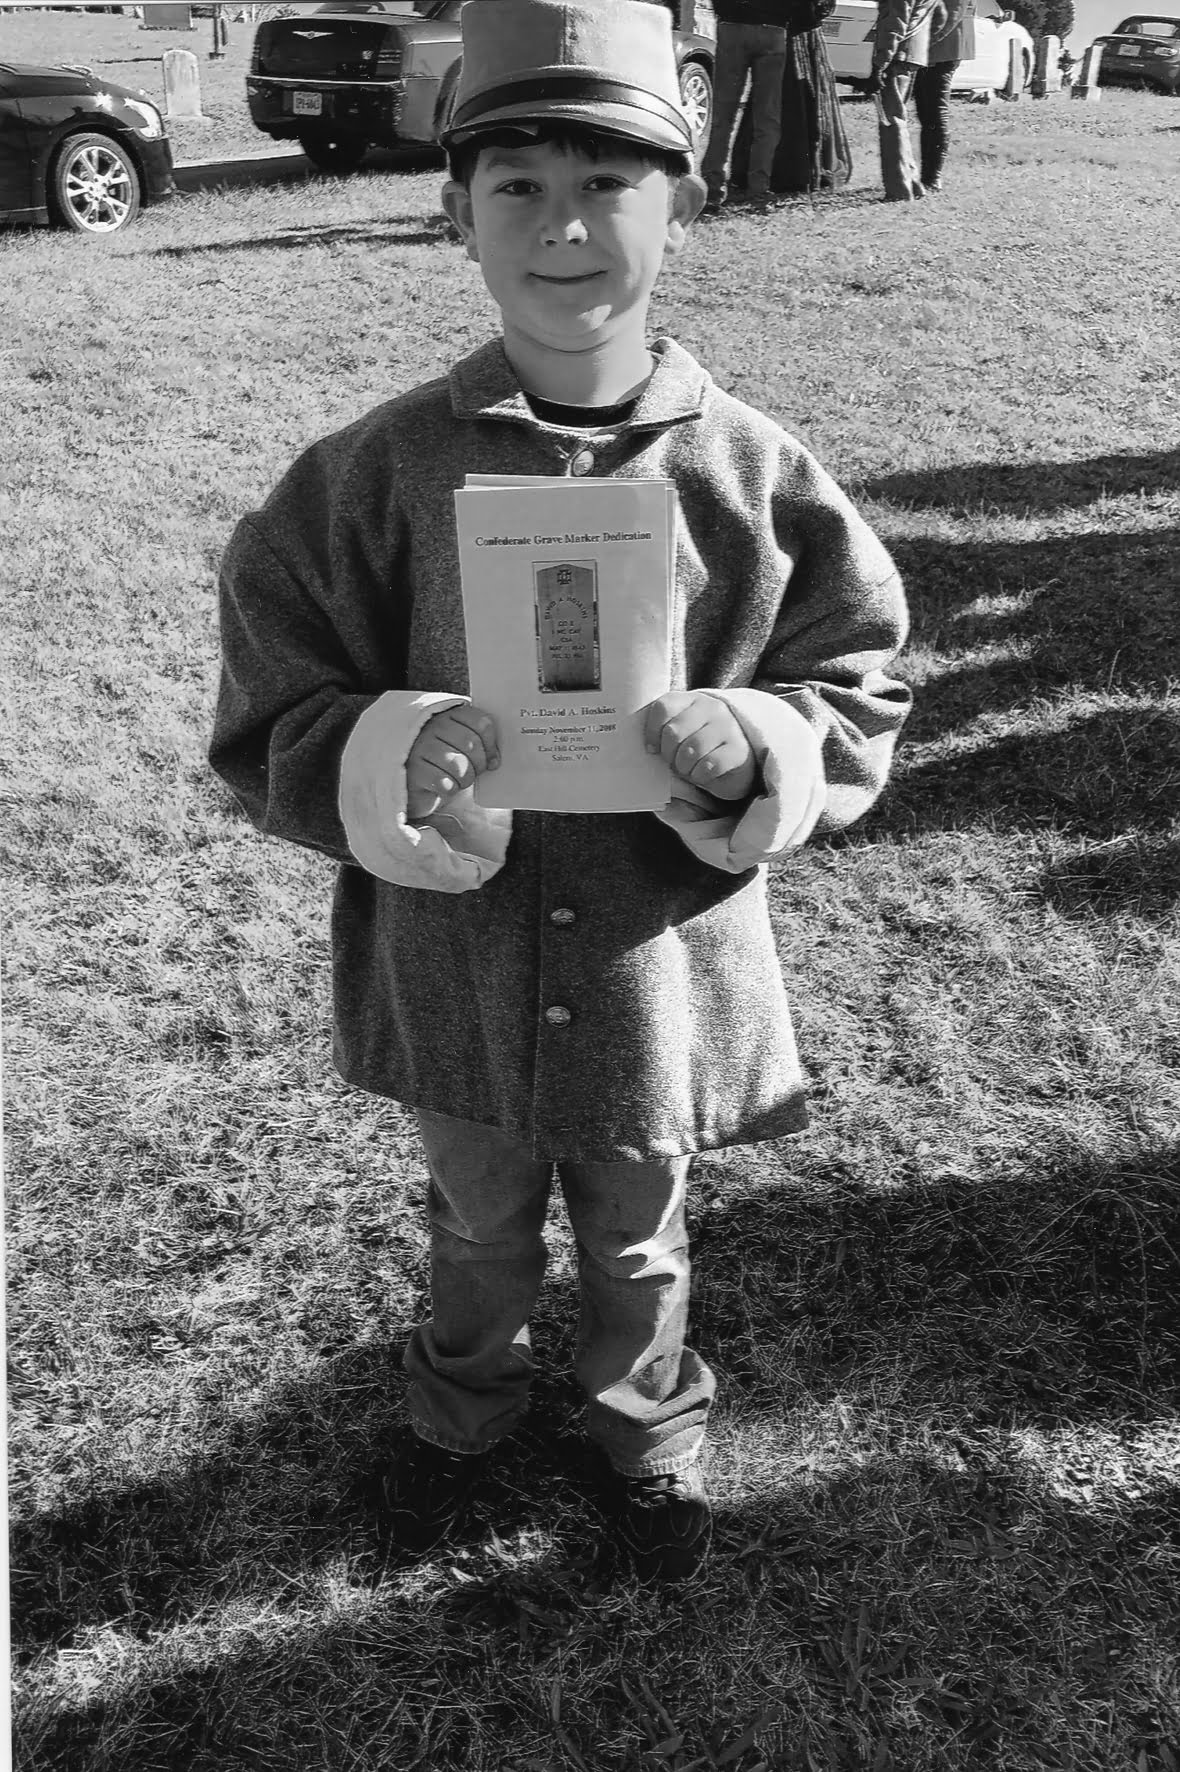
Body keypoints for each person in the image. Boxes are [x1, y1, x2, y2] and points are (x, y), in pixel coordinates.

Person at [209, 0, 911, 1587]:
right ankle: (457, 1421)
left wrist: (765, 740)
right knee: (472, 1223)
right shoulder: (370, 476)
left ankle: (644, 1434)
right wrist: (390, 747)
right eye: (517, 185)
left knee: (640, 1227)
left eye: (611, 181)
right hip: (457, 967)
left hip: (655, 965)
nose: (566, 225)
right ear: (456, 210)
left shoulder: (756, 474)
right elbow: (276, 700)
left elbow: (858, 675)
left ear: (686, 198)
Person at [730, 0, 853, 196]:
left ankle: (773, 171)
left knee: (777, 102)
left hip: (792, 35)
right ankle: (789, 171)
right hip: (792, 37)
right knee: (783, 101)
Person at [700, 0, 791, 211]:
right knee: (767, 117)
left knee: (723, 115)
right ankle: (758, 189)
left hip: (732, 24)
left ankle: (713, 187)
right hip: (773, 28)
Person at [865, 0, 944, 202]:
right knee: (899, 118)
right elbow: (941, 17)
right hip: (913, 53)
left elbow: (894, 23)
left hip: (896, 55)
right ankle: (913, 182)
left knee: (891, 121)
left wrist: (879, 64)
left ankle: (899, 189)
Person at [914, 0, 975, 192]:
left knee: (934, 114)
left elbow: (952, 12)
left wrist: (922, 40)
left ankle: (932, 178)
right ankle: (926, 176)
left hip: (944, 46)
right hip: (928, 47)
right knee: (925, 113)